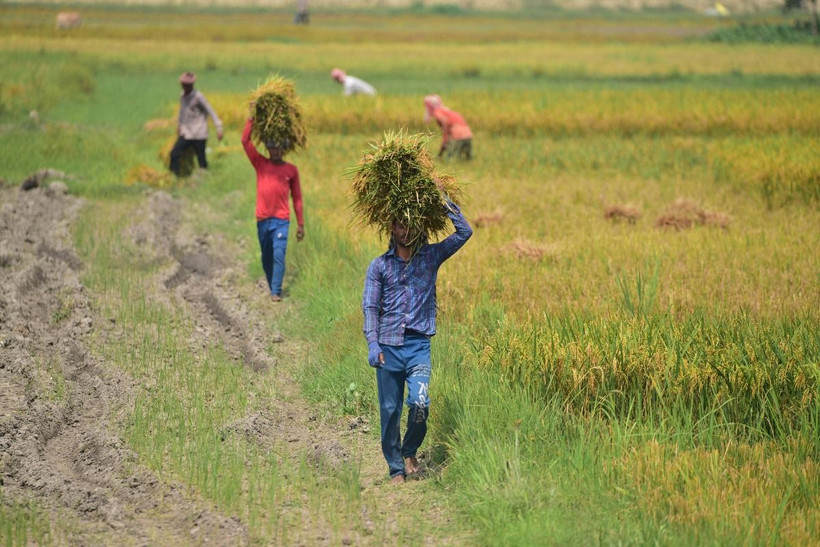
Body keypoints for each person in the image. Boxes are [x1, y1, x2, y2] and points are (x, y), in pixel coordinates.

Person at [362, 197, 472, 483]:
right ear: (392, 227)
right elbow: (370, 307)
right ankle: (396, 468)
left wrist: (442, 199)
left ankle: (410, 449)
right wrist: (373, 344)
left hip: (418, 346)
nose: (406, 230)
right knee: (390, 410)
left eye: (411, 224)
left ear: (421, 226)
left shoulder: (431, 257)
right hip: (388, 346)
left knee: (420, 403)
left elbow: (464, 232)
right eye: (400, 225)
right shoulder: (379, 267)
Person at [241, 111, 305, 303]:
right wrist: (251, 118)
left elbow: (297, 197)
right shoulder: (260, 163)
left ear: (284, 149)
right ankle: (272, 285)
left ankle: (276, 291)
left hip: (281, 221)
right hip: (263, 220)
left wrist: (300, 224)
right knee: (266, 257)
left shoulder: (291, 170)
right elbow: (245, 141)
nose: (275, 151)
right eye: (272, 148)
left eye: (279, 148)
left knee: (279, 254)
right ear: (268, 148)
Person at [169, 72, 223, 176]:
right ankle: (175, 177)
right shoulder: (182, 96)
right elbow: (182, 112)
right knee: (174, 154)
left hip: (199, 133)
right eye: (183, 85)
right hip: (186, 133)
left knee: (201, 160)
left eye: (187, 85)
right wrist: (179, 125)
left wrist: (219, 127)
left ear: (192, 85)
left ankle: (204, 178)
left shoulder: (198, 96)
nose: (185, 87)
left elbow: (210, 110)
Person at [423, 95, 473, 160]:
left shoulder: (437, 112)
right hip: (468, 135)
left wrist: (445, 138)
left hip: (458, 136)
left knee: (452, 159)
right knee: (466, 160)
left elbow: (445, 122)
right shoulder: (448, 112)